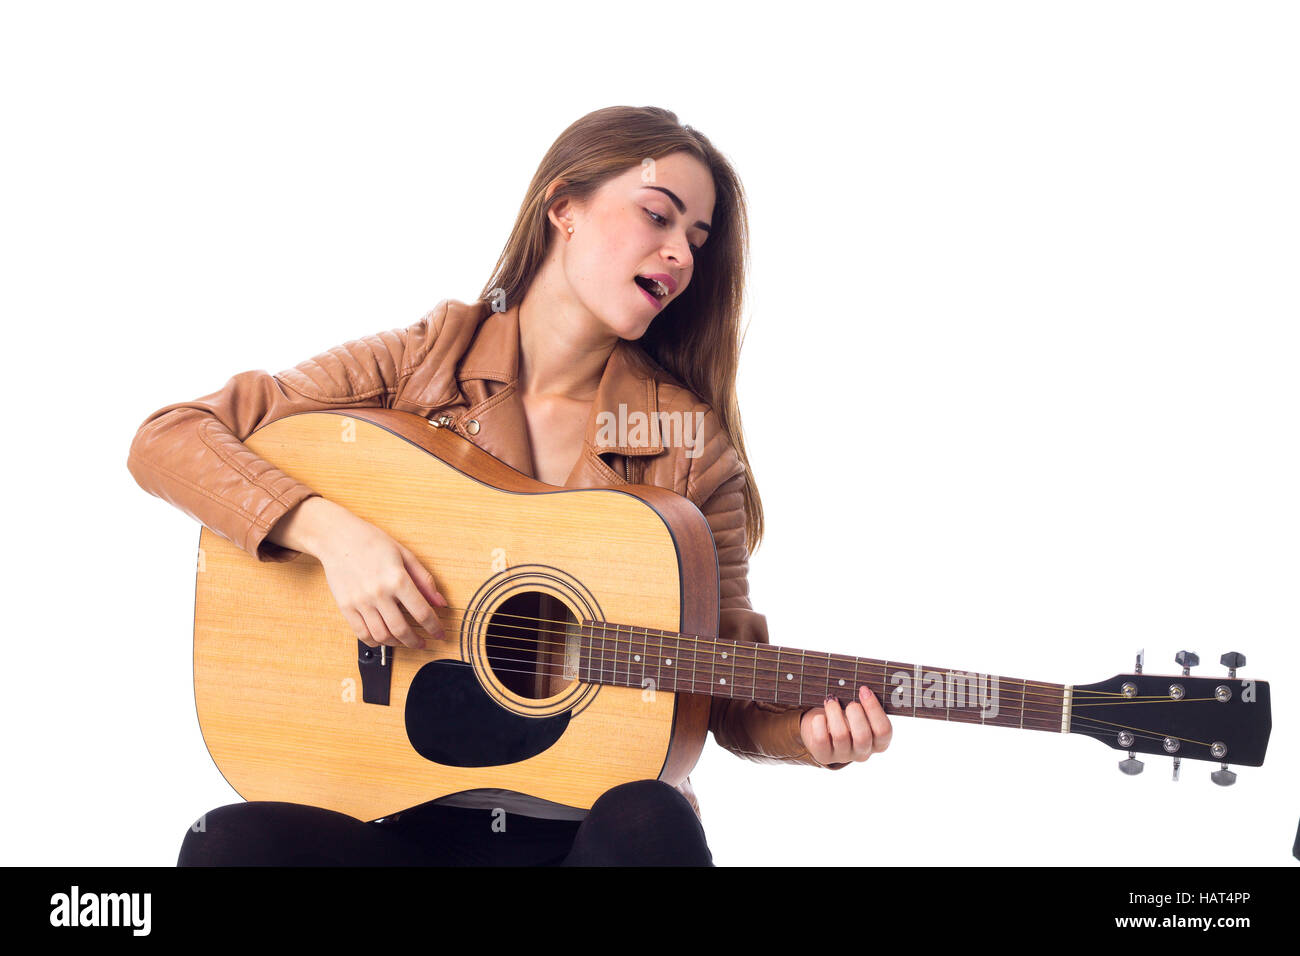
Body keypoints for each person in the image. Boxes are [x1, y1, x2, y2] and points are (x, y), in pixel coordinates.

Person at [127, 105, 892, 866]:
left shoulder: (688, 445)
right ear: (563, 207)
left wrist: (808, 736)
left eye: (696, 240)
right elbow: (171, 438)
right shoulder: (419, 363)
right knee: (228, 846)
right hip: (386, 812)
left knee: (650, 819)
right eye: (658, 216)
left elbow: (723, 689)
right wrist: (334, 536)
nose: (681, 255)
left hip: (582, 833)